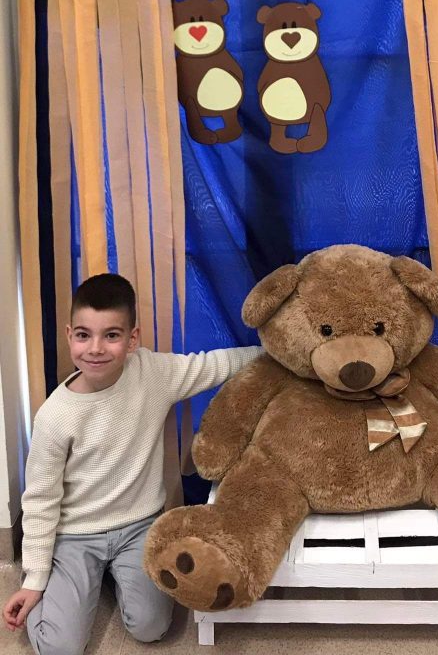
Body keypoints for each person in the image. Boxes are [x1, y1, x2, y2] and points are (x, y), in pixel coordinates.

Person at [2, 273, 261, 655]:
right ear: (70, 335)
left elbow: (214, 365)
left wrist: (275, 353)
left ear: (132, 338)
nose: (95, 348)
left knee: (152, 626)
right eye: (83, 335)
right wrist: (34, 580)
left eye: (111, 335)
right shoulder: (55, 416)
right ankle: (72, 583)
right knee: (60, 648)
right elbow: (40, 500)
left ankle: (110, 576)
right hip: (76, 536)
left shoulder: (152, 373)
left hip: (139, 526)